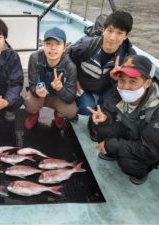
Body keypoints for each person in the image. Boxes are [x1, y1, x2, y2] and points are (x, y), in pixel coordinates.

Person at [87, 55, 159, 185]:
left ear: (147, 83)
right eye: (122, 80)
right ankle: (112, 153)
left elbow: (150, 150)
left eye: (133, 81)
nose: (125, 87)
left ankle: (142, 171)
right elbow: (109, 111)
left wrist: (113, 145)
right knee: (101, 128)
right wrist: (104, 118)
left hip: (148, 145)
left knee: (126, 163)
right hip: (130, 129)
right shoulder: (119, 90)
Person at [67, 10, 136, 139]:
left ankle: (95, 122)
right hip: (84, 85)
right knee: (86, 107)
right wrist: (74, 80)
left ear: (126, 36)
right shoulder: (86, 45)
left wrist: (117, 79)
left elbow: (127, 88)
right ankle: (86, 111)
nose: (112, 38)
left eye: (119, 33)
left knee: (107, 107)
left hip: (107, 87)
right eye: (110, 31)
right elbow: (66, 57)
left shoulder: (128, 58)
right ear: (104, 30)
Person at [24, 27, 78, 129]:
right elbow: (32, 84)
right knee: (29, 102)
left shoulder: (70, 67)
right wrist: (36, 90)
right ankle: (35, 114)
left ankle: (58, 116)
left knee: (71, 111)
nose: (53, 48)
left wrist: (60, 89)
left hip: (58, 96)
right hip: (40, 95)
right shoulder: (34, 58)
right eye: (48, 43)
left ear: (64, 47)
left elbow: (71, 96)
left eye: (58, 44)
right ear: (43, 45)